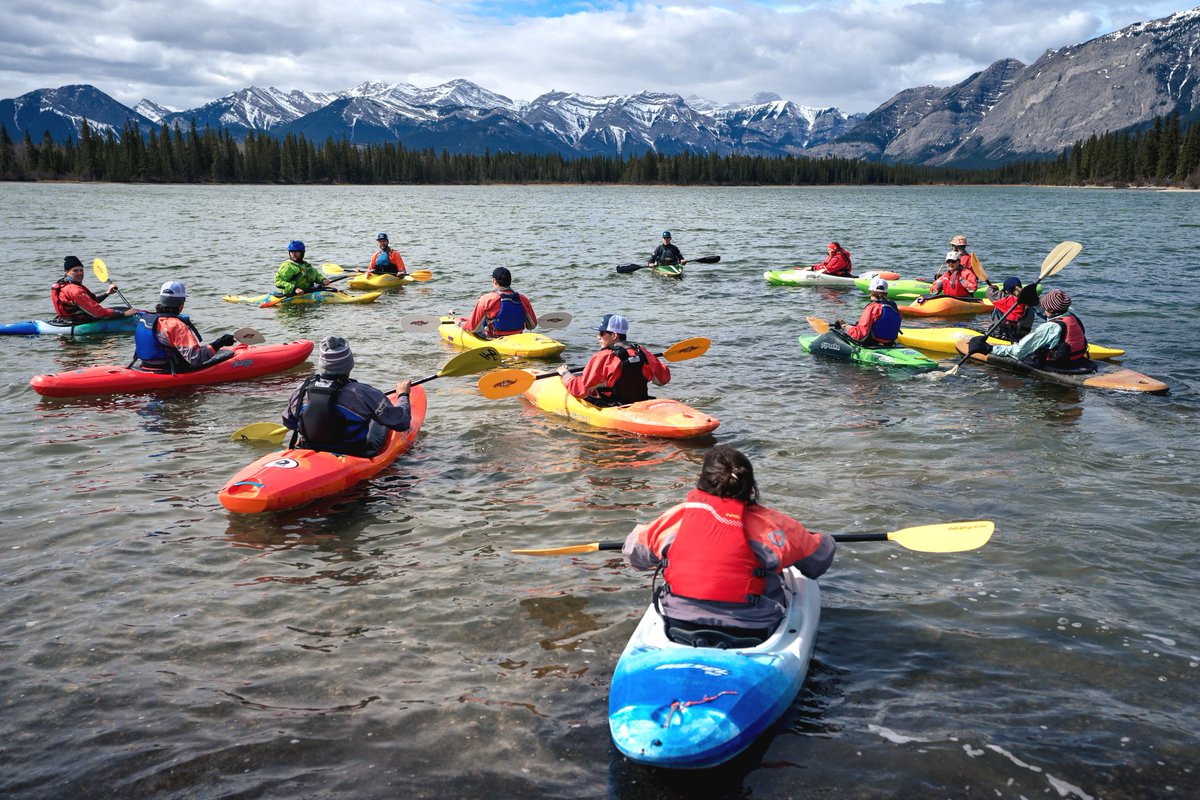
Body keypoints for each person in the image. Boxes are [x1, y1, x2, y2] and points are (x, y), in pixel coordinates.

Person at [622, 445, 836, 644]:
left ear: (702, 482)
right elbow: (816, 564)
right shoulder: (774, 526)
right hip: (754, 631)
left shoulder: (676, 518)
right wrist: (822, 539)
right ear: (750, 487)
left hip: (679, 626)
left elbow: (635, 555)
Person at [282, 336, 413, 457]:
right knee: (380, 421)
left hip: (309, 450)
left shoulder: (300, 390)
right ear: (349, 365)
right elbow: (401, 422)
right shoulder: (363, 393)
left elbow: (289, 422)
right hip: (353, 454)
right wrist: (403, 395)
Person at [967, 288, 1092, 372]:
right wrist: (1034, 303)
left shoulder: (1049, 328)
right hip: (1077, 360)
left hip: (1057, 365)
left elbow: (1019, 351)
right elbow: (1047, 313)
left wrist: (989, 348)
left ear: (1049, 308)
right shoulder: (1071, 316)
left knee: (1026, 355)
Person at [557, 314, 670, 406]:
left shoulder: (603, 357)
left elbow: (578, 390)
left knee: (579, 385)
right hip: (640, 403)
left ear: (614, 335)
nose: (598, 337)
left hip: (614, 407)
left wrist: (566, 374)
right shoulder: (641, 351)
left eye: (602, 333)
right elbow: (663, 379)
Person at [131, 281, 238, 373]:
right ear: (181, 303)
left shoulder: (146, 319)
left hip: (145, 366)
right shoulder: (176, 325)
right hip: (168, 370)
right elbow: (195, 358)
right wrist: (220, 342)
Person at [51, 256, 138, 323]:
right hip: (78, 322)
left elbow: (90, 301)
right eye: (75, 271)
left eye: (81, 270)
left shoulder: (63, 284)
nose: (80, 273)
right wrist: (124, 314)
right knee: (122, 311)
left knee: (117, 309)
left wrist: (108, 293)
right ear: (66, 272)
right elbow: (97, 312)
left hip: (67, 319)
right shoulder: (74, 290)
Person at [460, 267, 537, 337]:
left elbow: (472, 328)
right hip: (517, 337)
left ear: (494, 281)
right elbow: (532, 326)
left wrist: (461, 324)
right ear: (510, 280)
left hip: (495, 339)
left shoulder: (486, 299)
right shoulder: (523, 299)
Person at [838, 277, 901, 346]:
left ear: (870, 292)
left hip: (872, 342)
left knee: (837, 333)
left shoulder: (872, 307)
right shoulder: (893, 306)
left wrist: (845, 327)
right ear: (886, 293)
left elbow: (860, 335)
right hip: (890, 342)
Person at [985, 276, 1034, 341]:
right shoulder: (1029, 301)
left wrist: (994, 287)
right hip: (1022, 337)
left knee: (988, 322)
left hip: (1003, 335)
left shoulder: (1004, 300)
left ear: (1006, 291)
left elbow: (989, 292)